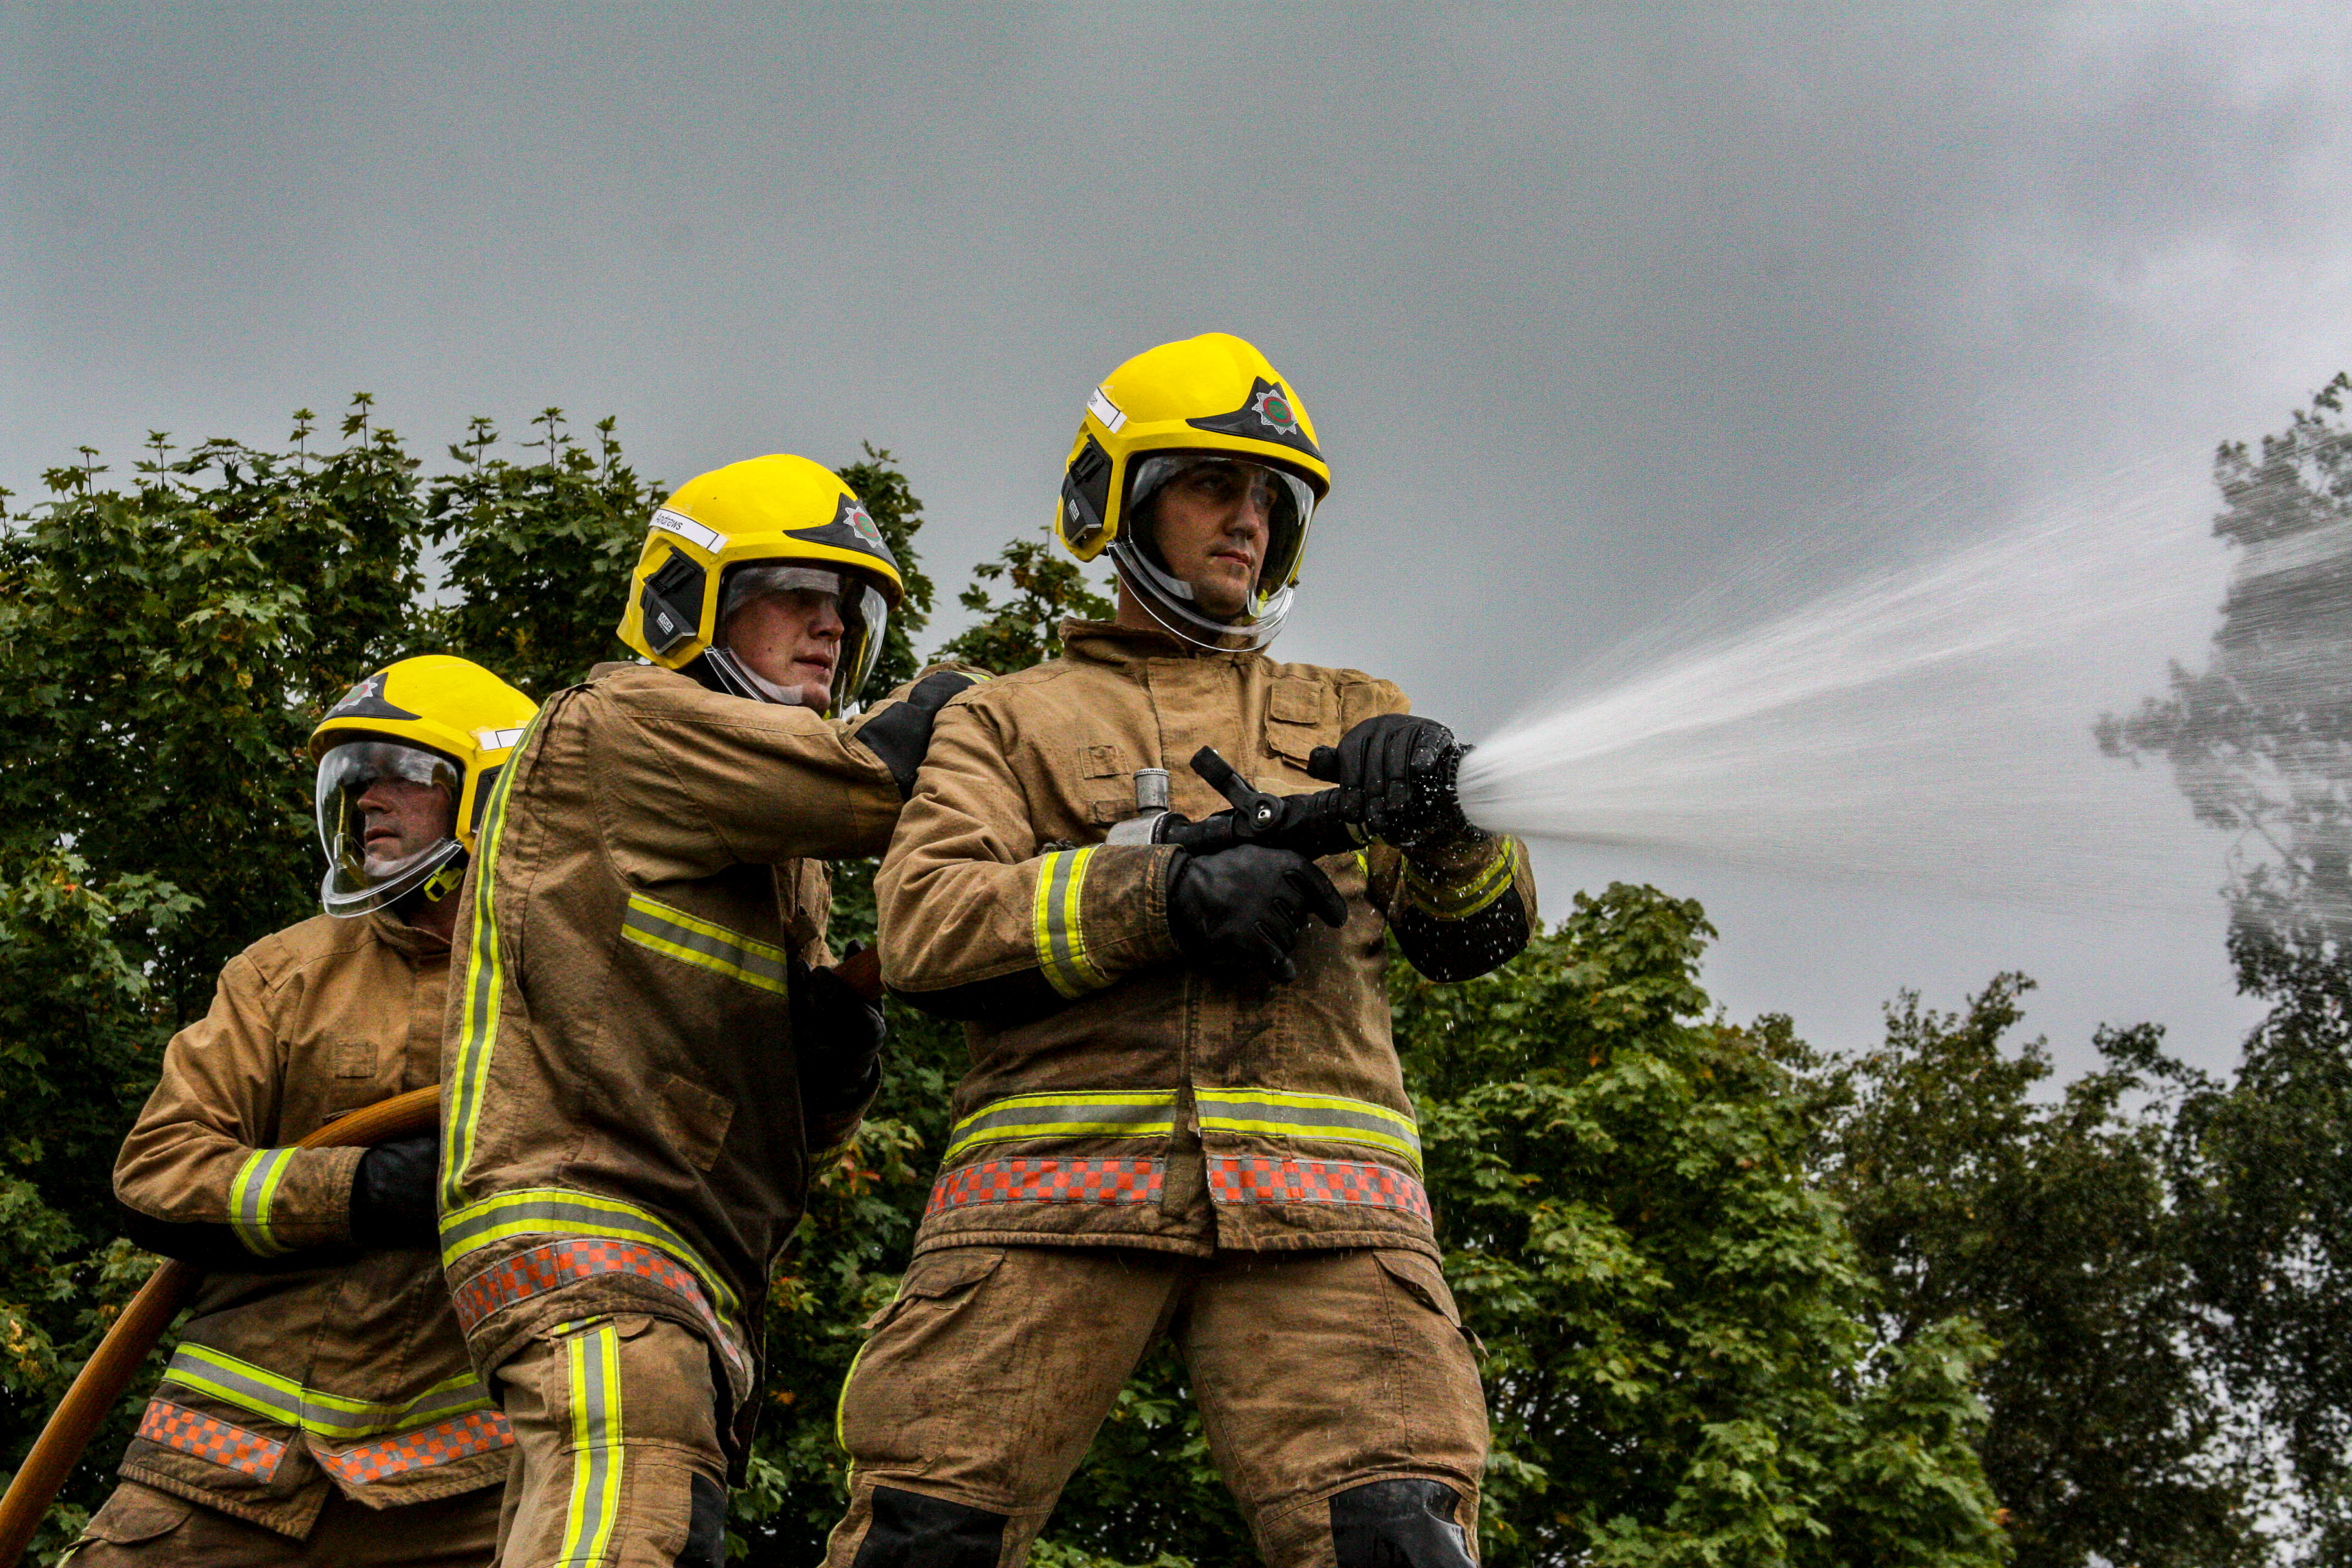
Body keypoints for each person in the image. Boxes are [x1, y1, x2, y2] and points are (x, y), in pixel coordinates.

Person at [825, 333, 1539, 1568]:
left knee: (1398, 1545)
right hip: (1044, 1202)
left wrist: (1446, 817)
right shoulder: (1011, 714)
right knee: (923, 1542)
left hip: (1331, 1222)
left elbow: (1481, 935)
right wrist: (1162, 901)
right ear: (1117, 502)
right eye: (1217, 485)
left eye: (1272, 497)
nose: (1249, 521)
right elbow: (925, 924)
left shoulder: (1359, 707)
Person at [435, 454, 973, 1567]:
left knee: (625, 1511)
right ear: (692, 601)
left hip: (687, 1253)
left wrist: (831, 1064)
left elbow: (787, 1118)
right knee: (635, 1505)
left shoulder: (781, 857)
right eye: (794, 595)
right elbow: (882, 773)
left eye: (846, 609)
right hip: (591, 1218)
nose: (829, 628)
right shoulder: (629, 719)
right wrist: (1021, 719)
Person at [65, 655, 539, 1566]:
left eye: (404, 775)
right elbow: (156, 1173)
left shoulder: (565, 989)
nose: (368, 801)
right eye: (357, 779)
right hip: (227, 1473)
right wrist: (355, 1189)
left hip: (464, 1497)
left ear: (491, 798)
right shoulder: (283, 976)